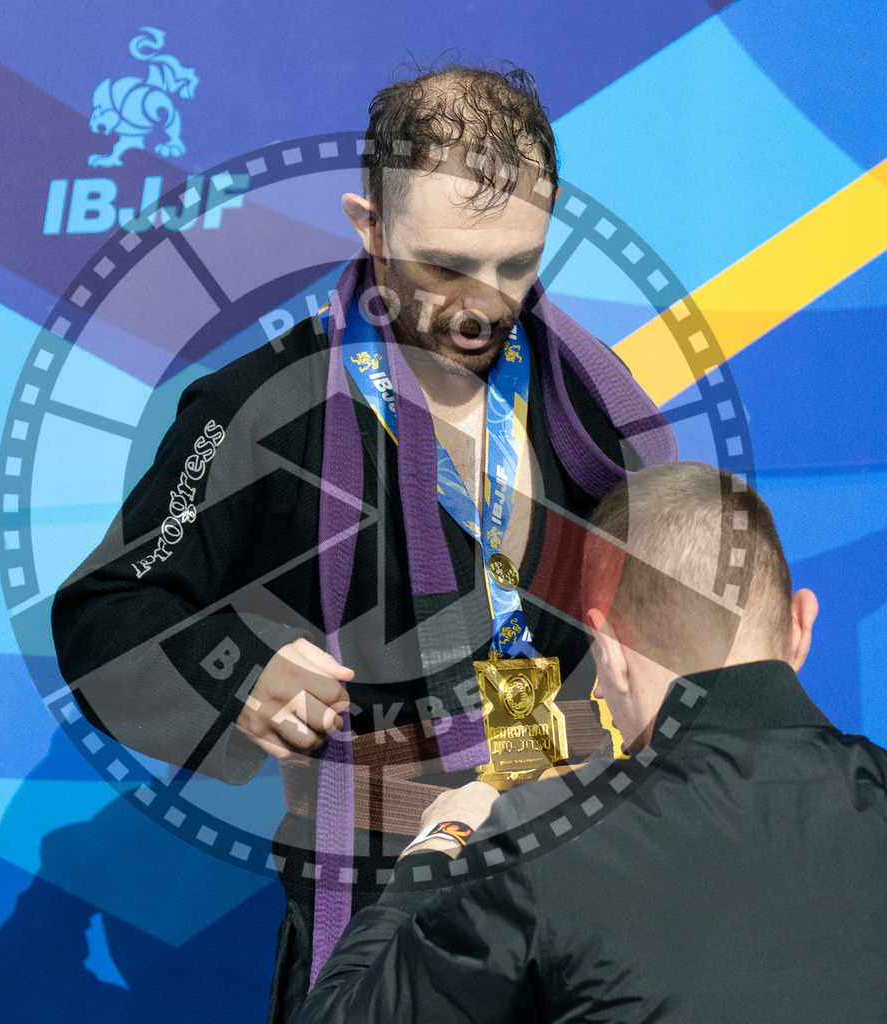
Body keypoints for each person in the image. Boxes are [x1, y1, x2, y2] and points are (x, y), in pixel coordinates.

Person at [51, 62, 676, 1021]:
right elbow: (107, 614)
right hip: (386, 911)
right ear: (370, 226)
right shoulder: (256, 410)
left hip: (592, 884)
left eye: (516, 264)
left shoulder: (591, 403)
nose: (483, 304)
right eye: (445, 266)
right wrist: (240, 673)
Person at [297, 461, 887, 1024]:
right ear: (801, 624)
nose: (598, 686)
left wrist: (436, 847)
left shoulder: (534, 843)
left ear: (611, 654)